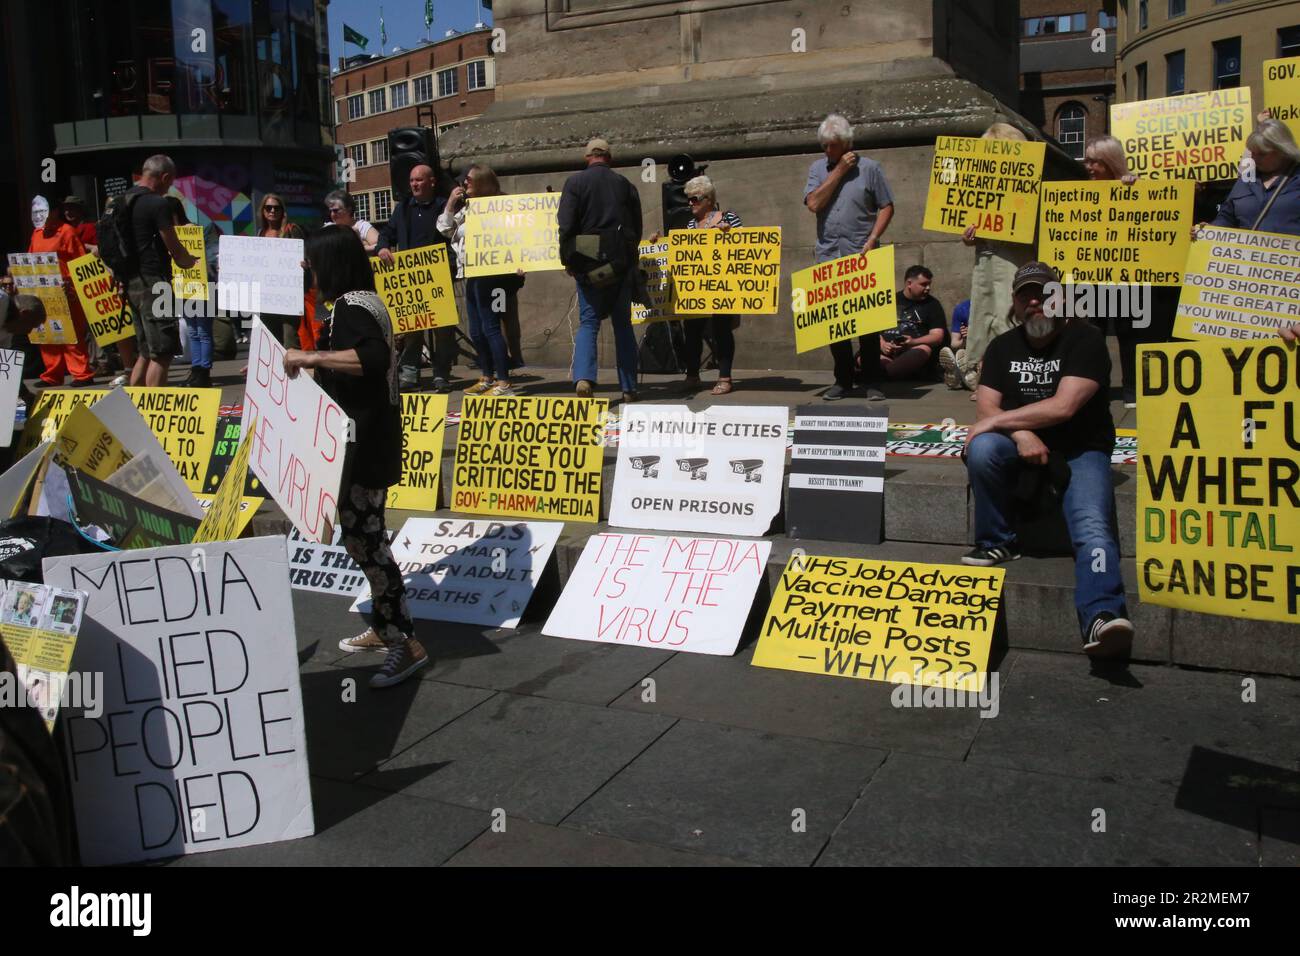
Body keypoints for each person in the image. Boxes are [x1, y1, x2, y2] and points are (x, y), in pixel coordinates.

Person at [962, 261, 1132, 659]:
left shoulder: (1086, 339)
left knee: (1092, 526)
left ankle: (1102, 614)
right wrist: (1020, 434)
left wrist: (1001, 422)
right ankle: (997, 541)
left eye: (1044, 293)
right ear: (1015, 303)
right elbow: (986, 406)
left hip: (1081, 449)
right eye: (1026, 295)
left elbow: (1064, 407)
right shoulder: (1002, 346)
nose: (1035, 301)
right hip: (1022, 445)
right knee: (985, 447)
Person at [284, 227, 429, 688]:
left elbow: (371, 357)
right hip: (371, 440)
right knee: (363, 536)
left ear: (332, 263)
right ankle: (387, 625)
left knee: (366, 541)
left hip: (364, 447)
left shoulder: (349, 307)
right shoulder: (364, 300)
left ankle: (403, 642)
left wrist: (312, 358)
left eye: (313, 262)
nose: (309, 270)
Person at [804, 113, 895, 401]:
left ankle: (871, 381)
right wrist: (839, 171)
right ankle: (842, 380)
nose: (827, 150)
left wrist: (872, 238)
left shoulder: (870, 168)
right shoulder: (819, 169)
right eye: (825, 146)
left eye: (833, 145)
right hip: (829, 254)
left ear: (847, 143)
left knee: (867, 323)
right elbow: (815, 203)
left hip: (862, 252)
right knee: (835, 325)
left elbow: (887, 206)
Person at [943, 124, 1035, 395]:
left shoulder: (1027, 180)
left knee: (1010, 317)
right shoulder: (980, 181)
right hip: (985, 258)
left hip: (1013, 259)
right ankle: (989, 379)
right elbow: (969, 221)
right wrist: (968, 236)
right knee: (984, 319)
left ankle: (1011, 380)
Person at [558, 137, 643, 402]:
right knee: (623, 325)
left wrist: (568, 261)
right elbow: (636, 228)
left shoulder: (575, 183)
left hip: (588, 260)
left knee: (589, 322)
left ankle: (584, 377)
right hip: (619, 263)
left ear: (587, 158)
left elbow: (567, 225)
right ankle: (628, 387)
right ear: (610, 158)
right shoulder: (625, 185)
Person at [649, 174, 743, 394]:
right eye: (688, 199)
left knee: (722, 330)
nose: (690, 203)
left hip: (721, 286)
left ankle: (725, 376)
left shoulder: (728, 217)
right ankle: (692, 375)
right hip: (696, 289)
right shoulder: (690, 225)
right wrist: (658, 242)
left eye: (695, 199)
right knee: (692, 330)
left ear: (709, 199)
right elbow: (680, 252)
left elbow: (745, 246)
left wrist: (729, 234)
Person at [438, 164, 524, 396]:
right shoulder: (466, 209)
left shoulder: (499, 207)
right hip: (472, 273)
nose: (464, 184)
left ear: (482, 183)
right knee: (476, 330)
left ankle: (504, 382)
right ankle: (487, 376)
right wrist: (450, 203)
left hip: (494, 275)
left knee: (491, 328)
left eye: (468, 180)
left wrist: (520, 261)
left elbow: (516, 235)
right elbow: (444, 228)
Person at [377, 165, 458, 392]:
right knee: (412, 330)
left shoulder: (444, 207)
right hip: (412, 280)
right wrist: (383, 247)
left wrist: (450, 267)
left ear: (432, 182)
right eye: (412, 180)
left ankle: (442, 374)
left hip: (438, 278)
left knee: (443, 330)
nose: (414, 184)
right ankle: (410, 375)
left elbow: (454, 240)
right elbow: (386, 234)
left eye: (419, 180)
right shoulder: (403, 208)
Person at [123, 154, 199, 387]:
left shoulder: (122, 201)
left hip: (130, 283)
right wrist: (188, 261)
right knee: (163, 352)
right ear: (164, 177)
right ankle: (154, 411)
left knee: (146, 351)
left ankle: (132, 406)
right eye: (171, 182)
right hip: (154, 282)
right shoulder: (157, 204)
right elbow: (173, 245)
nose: (170, 187)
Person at [27, 196, 96, 387]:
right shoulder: (36, 234)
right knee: (47, 333)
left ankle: (82, 374)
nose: (39, 215)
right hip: (44, 292)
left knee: (71, 333)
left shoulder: (67, 232)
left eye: (43, 211)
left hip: (67, 292)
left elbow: (81, 263)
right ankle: (52, 375)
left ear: (55, 212)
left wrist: (72, 283)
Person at [1205, 118, 1300, 236]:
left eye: (1262, 154)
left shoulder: (1296, 178)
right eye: (1252, 153)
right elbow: (1227, 216)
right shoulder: (1246, 179)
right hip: (1248, 254)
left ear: (1283, 150)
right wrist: (1211, 230)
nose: (1254, 158)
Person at [874, 264, 947, 381]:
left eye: (929, 284)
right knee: (864, 355)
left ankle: (880, 374)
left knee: (923, 350)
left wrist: (913, 342)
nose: (928, 288)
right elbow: (873, 328)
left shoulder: (933, 305)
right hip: (886, 352)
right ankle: (892, 371)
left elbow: (937, 336)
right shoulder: (888, 300)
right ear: (909, 283)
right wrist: (882, 344)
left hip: (911, 351)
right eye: (923, 284)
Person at [254, 191, 306, 350]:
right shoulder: (260, 234)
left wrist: (304, 263)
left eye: (276, 208)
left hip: (289, 295)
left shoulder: (292, 229)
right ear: (263, 211)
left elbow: (304, 255)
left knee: (290, 339)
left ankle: (295, 373)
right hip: (267, 296)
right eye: (268, 207)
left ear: (282, 211)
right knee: (271, 342)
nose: (272, 211)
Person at [942, 298, 970, 388]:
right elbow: (954, 344)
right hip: (968, 348)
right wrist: (966, 339)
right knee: (961, 353)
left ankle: (960, 375)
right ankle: (962, 374)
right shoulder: (962, 308)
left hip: (987, 350)